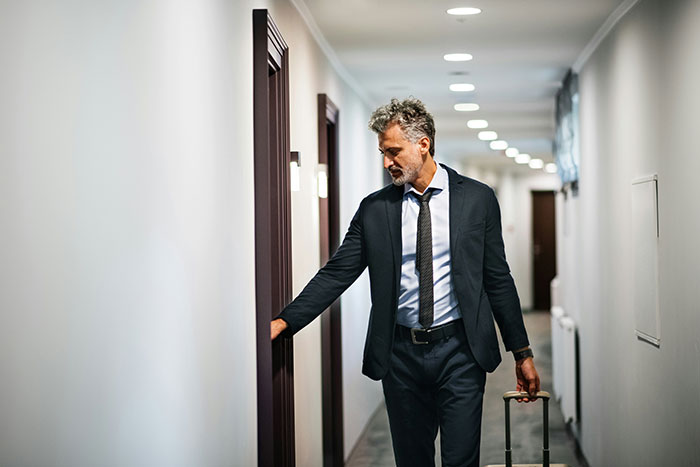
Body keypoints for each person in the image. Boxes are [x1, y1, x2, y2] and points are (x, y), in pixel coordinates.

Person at [270, 97, 540, 467]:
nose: (386, 162)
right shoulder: (375, 209)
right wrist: (285, 321)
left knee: (461, 460)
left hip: (460, 351)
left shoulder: (477, 199)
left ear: (423, 144)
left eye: (394, 151)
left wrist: (521, 352)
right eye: (383, 152)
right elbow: (337, 272)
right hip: (401, 357)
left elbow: (497, 278)